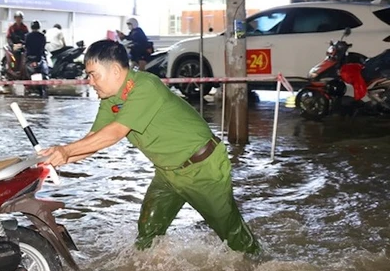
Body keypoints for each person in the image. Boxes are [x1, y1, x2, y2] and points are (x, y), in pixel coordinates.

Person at [39, 40, 261, 256]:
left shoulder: (145, 86)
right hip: (167, 173)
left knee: (233, 236)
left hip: (202, 168)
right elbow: (94, 139)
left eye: (93, 74)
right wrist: (57, 159)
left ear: (115, 70)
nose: (90, 82)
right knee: (148, 232)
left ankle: (260, 267)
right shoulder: (111, 100)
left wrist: (65, 151)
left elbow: (115, 132)